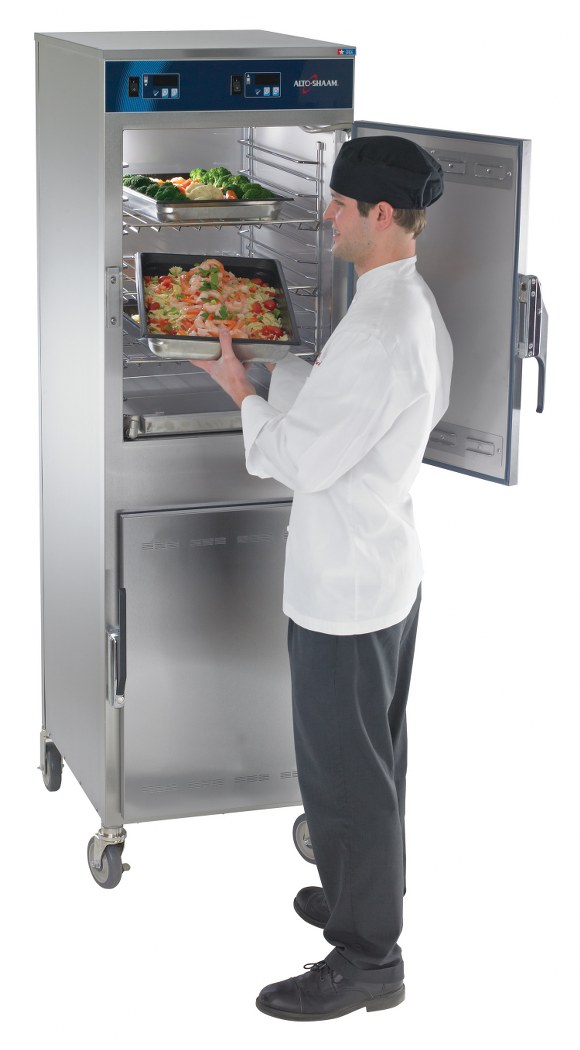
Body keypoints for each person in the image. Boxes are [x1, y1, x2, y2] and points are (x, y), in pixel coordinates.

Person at [195, 135, 453, 1021]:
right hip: (383, 568)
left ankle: (368, 957)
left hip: (343, 586)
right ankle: (361, 892)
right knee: (374, 760)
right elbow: (359, 404)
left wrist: (238, 388)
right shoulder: (404, 302)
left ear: (380, 213)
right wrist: (282, 368)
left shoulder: (380, 329)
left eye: (339, 205)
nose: (326, 214)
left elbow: (300, 460)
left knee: (344, 778)